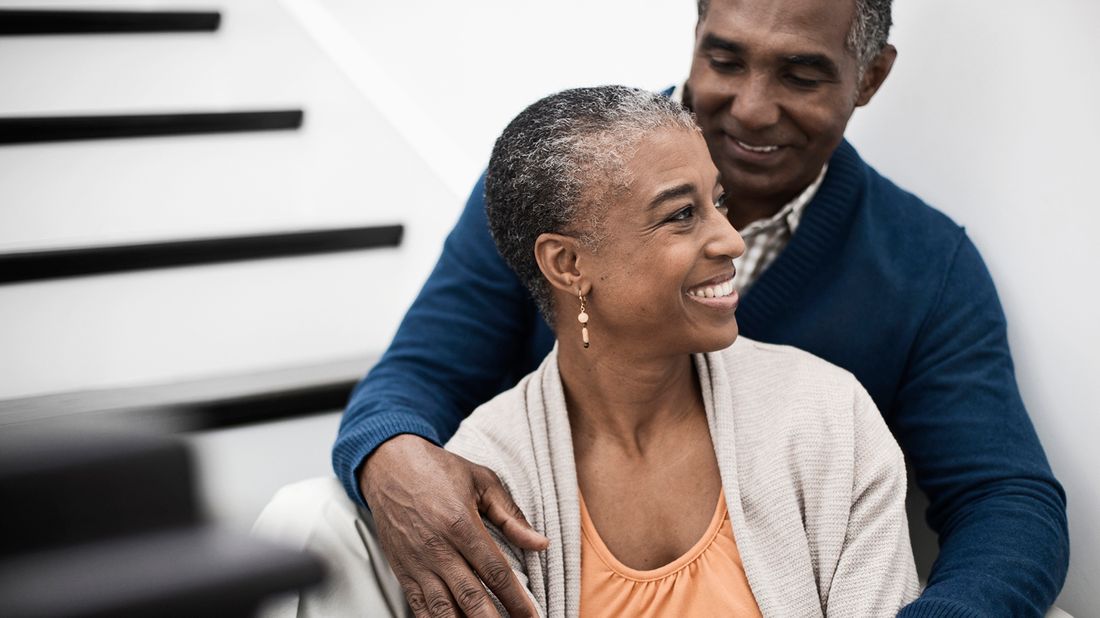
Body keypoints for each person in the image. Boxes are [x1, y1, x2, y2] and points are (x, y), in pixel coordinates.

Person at [332, 0, 1068, 616]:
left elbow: (1006, 496)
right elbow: (420, 372)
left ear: (870, 77)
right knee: (313, 519)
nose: (750, 106)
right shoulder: (556, 186)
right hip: (565, 558)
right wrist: (389, 457)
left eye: (802, 73)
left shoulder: (922, 268)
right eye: (724, 60)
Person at [257, 84, 919, 617]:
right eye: (681, 215)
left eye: (718, 203)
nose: (733, 240)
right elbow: (418, 367)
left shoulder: (828, 416)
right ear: (568, 264)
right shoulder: (490, 479)